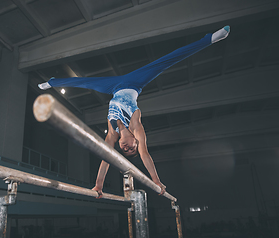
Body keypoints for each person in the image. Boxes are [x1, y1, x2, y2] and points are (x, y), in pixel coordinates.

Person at [39, 26, 230, 197]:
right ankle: (210, 39)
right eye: (132, 148)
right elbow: (145, 155)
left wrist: (98, 185)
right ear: (135, 141)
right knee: (165, 62)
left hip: (113, 87)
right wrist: (156, 180)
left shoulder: (112, 134)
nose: (127, 149)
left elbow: (106, 159)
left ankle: (53, 81)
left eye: (126, 151)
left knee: (83, 82)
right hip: (135, 83)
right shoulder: (136, 126)